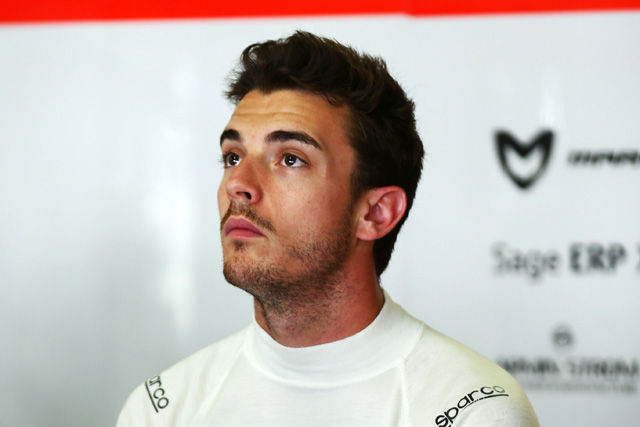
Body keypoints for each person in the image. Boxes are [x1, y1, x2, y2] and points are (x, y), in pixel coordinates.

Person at [117, 31, 539, 426]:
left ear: (376, 214)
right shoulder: (164, 408)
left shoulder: (469, 409)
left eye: (290, 159)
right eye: (233, 157)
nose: (238, 184)